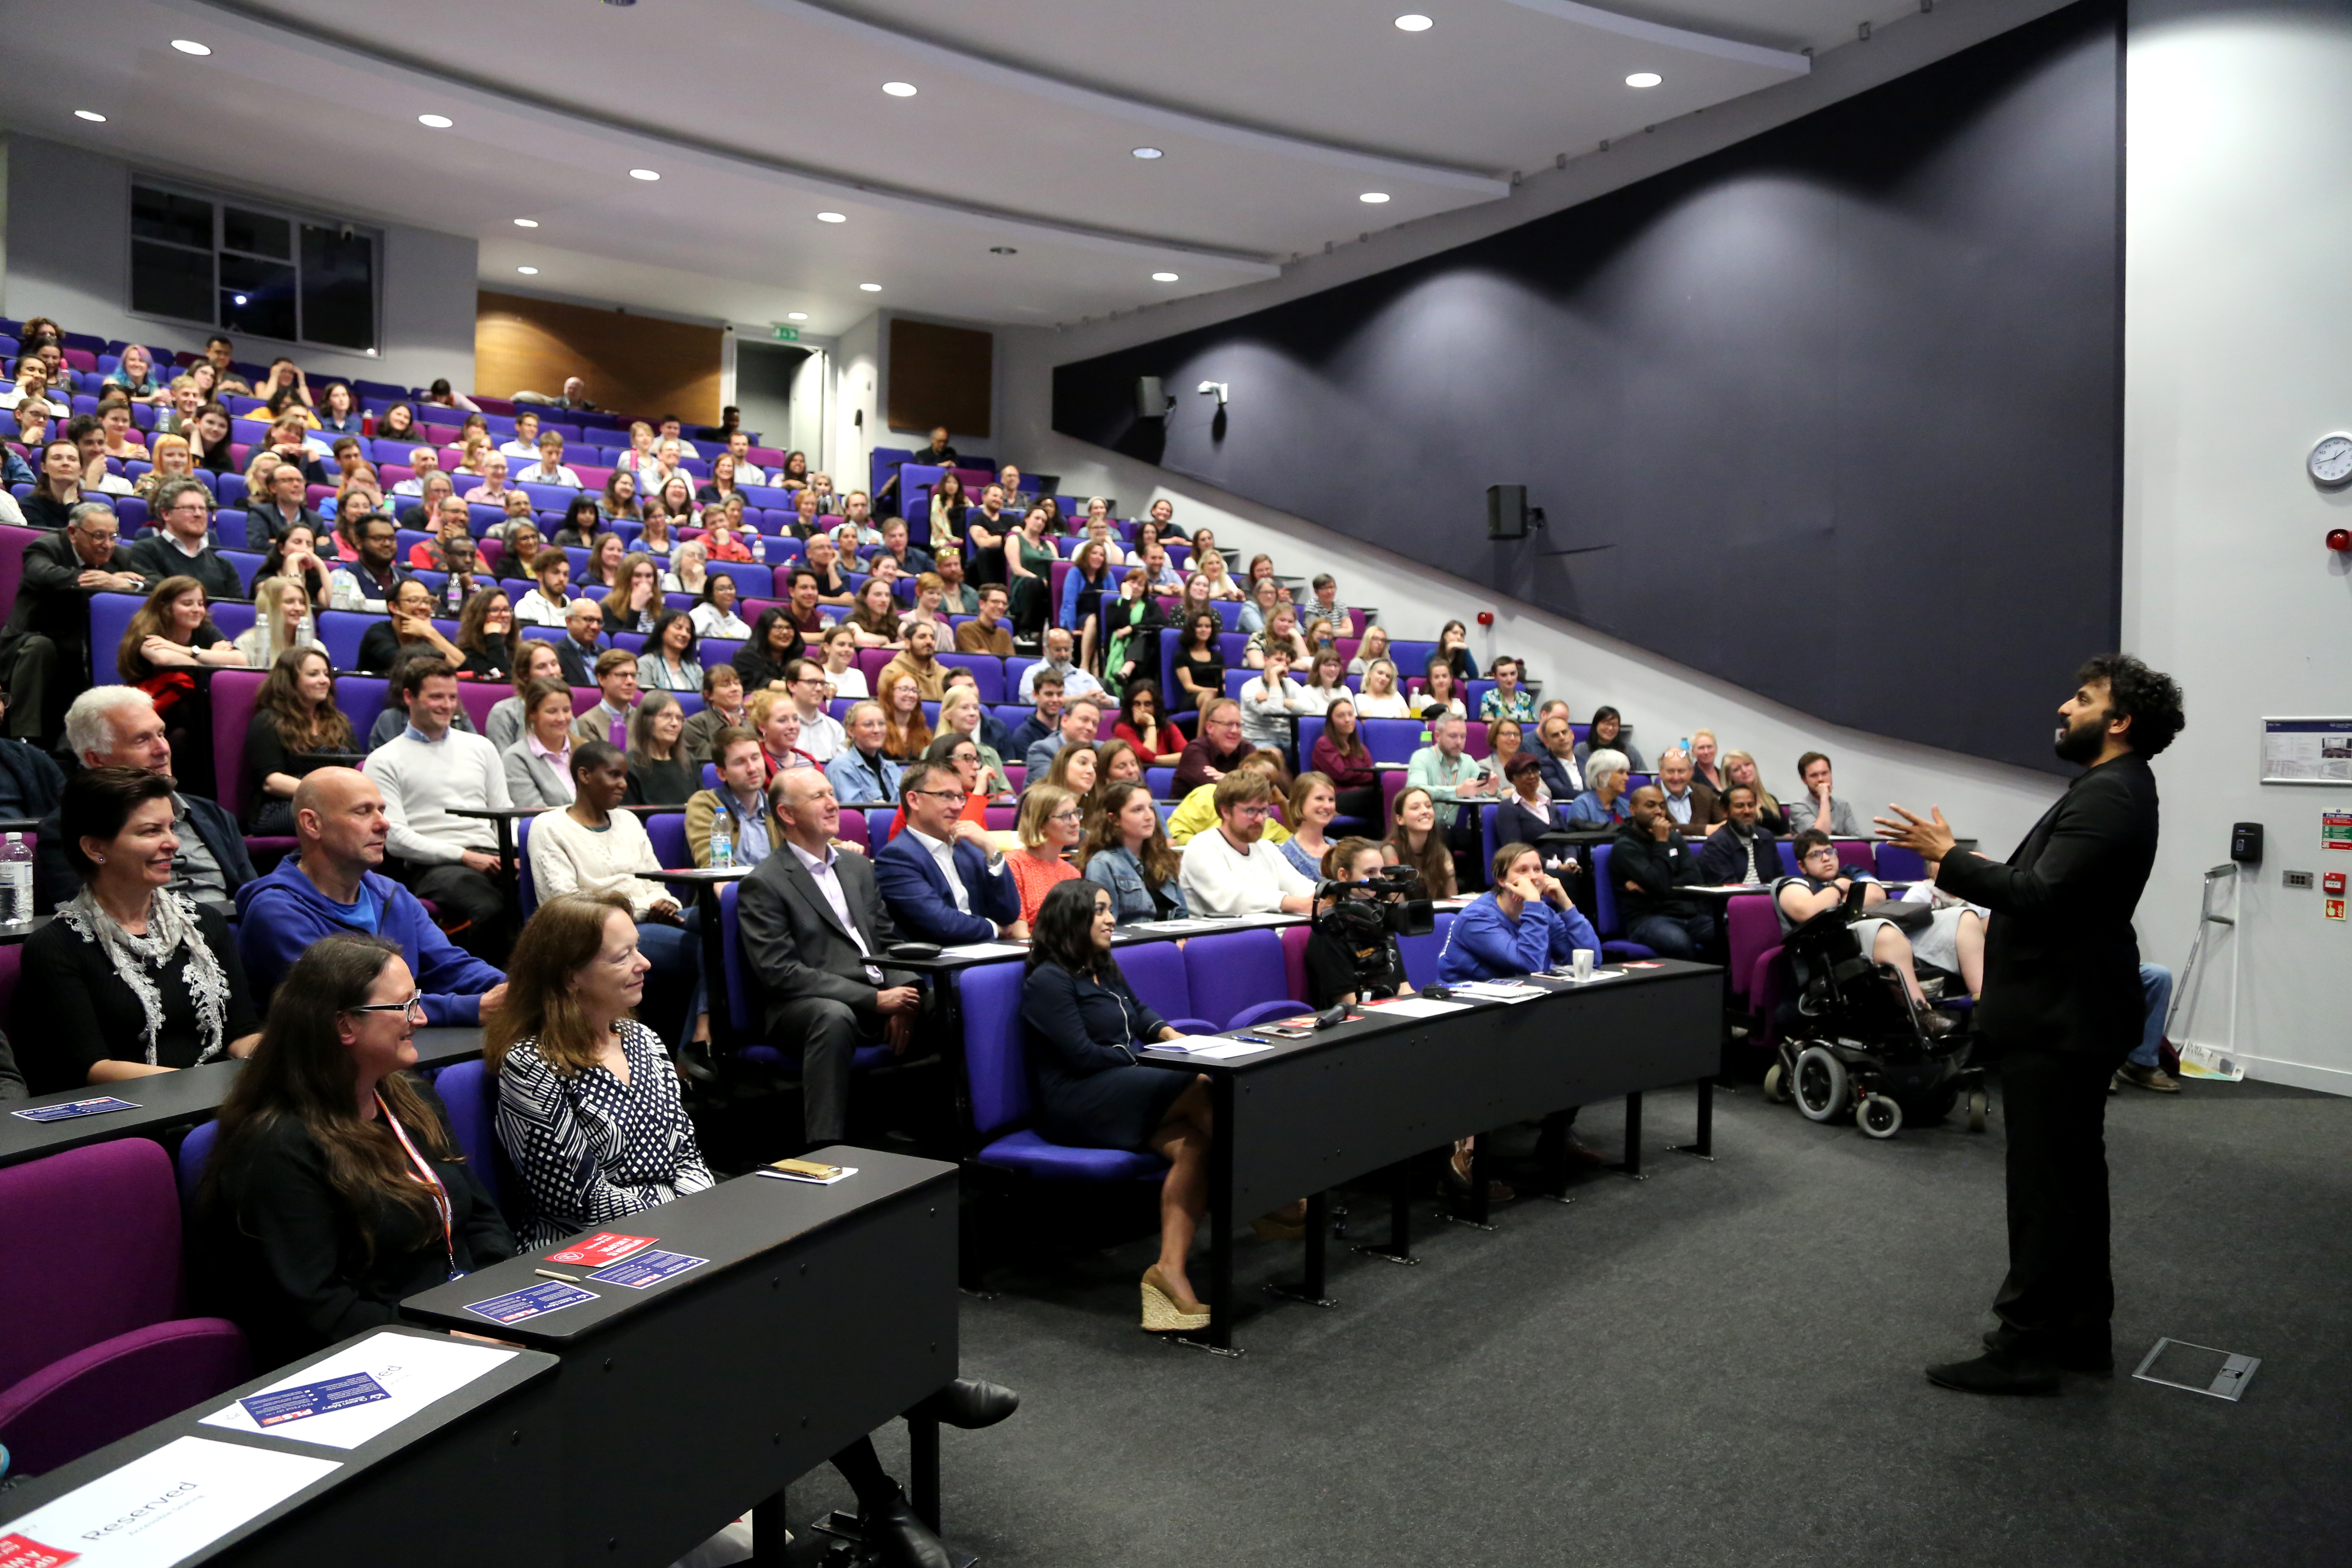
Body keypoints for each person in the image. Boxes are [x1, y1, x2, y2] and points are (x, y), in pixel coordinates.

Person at [488, 889, 997, 1568]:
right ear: (570, 974)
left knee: (807, 1272)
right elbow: (581, 1204)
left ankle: (901, 1438)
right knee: (775, 1317)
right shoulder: (532, 1065)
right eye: (623, 955)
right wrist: (689, 1213)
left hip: (681, 1234)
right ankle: (892, 1468)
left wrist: (689, 1213)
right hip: (582, 1266)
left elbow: (690, 1159)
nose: (646, 963)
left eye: (639, 948)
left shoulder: (640, 1040)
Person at [1876, 656, 2177, 1395]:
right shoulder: (2112, 789)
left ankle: (2028, 1346)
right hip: (2068, 1015)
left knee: (2047, 1190)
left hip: (2060, 1019)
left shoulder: (2111, 794)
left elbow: (2041, 898)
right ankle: (2080, 1333)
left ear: (2120, 720)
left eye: (2082, 699)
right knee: (2072, 1184)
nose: (2062, 707)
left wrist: (1951, 860)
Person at [191, 935, 514, 1371]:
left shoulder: (412, 1101)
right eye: (403, 1006)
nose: (419, 1018)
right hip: (371, 1360)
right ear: (344, 1026)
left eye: (416, 1000)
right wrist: (447, 1338)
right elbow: (318, 1308)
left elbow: (478, 1215)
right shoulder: (276, 1146)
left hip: (459, 1322)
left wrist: (491, 1302)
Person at [1021, 879, 1222, 1331]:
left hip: (1120, 1089)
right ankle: (1271, 1188)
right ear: (1071, 918)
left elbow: (1139, 1011)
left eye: (1110, 910)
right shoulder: (1047, 981)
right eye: (1099, 911)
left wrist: (1173, 1038)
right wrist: (1147, 1058)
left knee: (1195, 1144)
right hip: (1078, 1101)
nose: (1112, 919)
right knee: (1201, 1085)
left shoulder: (1102, 966)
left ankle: (1168, 1273)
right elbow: (1082, 1057)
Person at [13, 766, 262, 1092]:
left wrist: (269, 1064)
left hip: (222, 1098)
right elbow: (92, 1067)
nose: (173, 843)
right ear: (95, 849)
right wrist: (202, 1088)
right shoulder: (58, 946)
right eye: (150, 831)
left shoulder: (204, 922)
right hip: (137, 1113)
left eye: (172, 827)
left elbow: (242, 1032)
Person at [234, 768, 508, 1025]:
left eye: (382, 810)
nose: (384, 824)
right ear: (312, 824)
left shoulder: (392, 895)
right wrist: (472, 1008)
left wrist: (516, 991)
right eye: (363, 812)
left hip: (403, 1044)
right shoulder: (276, 912)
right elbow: (357, 1005)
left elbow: (451, 966)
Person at [739, 768, 924, 1143]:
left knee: (953, 1001)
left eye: (831, 793)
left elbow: (887, 940)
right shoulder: (765, 882)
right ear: (788, 815)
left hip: (876, 994)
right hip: (807, 1005)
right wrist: (874, 1000)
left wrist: (903, 994)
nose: (832, 803)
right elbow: (783, 973)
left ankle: (943, 1135)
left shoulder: (857, 867)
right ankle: (826, 1149)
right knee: (832, 1016)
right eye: (818, 797)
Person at [527, 744, 697, 1045]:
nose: (623, 784)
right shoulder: (549, 827)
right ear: (584, 775)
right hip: (602, 935)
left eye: (625, 776)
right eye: (614, 775)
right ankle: (691, 1050)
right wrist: (647, 908)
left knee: (722, 921)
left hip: (652, 919)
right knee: (712, 948)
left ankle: (699, 1045)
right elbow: (566, 905)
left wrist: (666, 902)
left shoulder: (628, 821)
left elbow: (656, 881)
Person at [36, 686, 258, 914]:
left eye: (161, 734)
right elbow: (86, 919)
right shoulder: (67, 829)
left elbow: (253, 895)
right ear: (97, 758)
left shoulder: (212, 814)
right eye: (142, 740)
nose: (163, 749)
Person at [362, 657, 514, 963]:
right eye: (436, 697)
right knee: (491, 909)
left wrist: (514, 854)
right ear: (409, 698)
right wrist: (465, 856)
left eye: (452, 697)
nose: (447, 705)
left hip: (494, 856)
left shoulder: (480, 747)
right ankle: (488, 996)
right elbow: (397, 837)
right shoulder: (385, 759)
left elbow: (504, 813)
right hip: (436, 866)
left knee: (555, 900)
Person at [1773, 829, 1982, 1009]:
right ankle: (1922, 1012)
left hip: (1889, 938)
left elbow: (1876, 896)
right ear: (1802, 866)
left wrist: (1831, 897)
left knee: (1963, 918)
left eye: (1830, 851)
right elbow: (1809, 911)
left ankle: (1983, 1002)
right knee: (1885, 931)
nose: (1826, 858)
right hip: (1838, 953)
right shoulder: (1794, 883)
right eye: (1816, 855)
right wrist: (1840, 887)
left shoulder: (1852, 872)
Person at [4, 503, 147, 744]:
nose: (108, 545)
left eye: (113, 537)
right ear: (73, 533)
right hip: (29, 640)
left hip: (81, 645)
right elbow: (43, 575)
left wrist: (124, 585)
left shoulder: (121, 556)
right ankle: (24, 740)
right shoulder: (45, 547)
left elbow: (155, 583)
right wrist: (100, 581)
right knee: (40, 648)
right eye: (99, 536)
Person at [874, 758, 1025, 942]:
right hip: (940, 963)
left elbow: (1008, 914)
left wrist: (991, 849)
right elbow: (941, 925)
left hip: (985, 953)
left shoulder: (970, 848)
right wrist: (994, 929)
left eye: (960, 797)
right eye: (945, 796)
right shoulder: (897, 858)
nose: (957, 807)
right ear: (914, 800)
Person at [242, 647, 358, 834]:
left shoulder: (338, 721)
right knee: (340, 819)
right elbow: (271, 781)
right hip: (282, 805)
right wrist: (327, 794)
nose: (324, 681)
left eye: (326, 674)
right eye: (313, 674)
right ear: (290, 682)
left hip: (335, 802)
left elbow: (354, 767)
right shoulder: (268, 721)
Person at [1179, 768, 1315, 915]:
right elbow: (1232, 899)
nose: (1260, 819)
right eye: (1250, 811)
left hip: (1269, 932)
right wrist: (1292, 903)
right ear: (1226, 811)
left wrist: (1327, 897)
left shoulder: (1266, 847)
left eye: (1264, 811)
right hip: (1223, 935)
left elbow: (1302, 888)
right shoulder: (1202, 847)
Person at [1303, 837, 1410, 1009]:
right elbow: (1350, 1006)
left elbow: (1404, 988)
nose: (1380, 880)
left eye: (1382, 872)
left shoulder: (1381, 920)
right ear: (1344, 876)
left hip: (1392, 1014)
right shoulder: (1330, 931)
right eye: (1370, 873)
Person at [1611, 785, 1713, 959]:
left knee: (1729, 933)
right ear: (1633, 810)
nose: (1659, 811)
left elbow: (1695, 880)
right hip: (1648, 920)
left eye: (1662, 806)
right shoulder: (1625, 846)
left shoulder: (1675, 838)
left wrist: (1651, 889)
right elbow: (1659, 883)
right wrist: (1661, 842)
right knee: (1679, 944)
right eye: (1651, 806)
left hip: (1688, 915)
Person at [1082, 780, 1187, 922]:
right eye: (1138, 810)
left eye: (1151, 808)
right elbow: (1105, 924)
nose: (1149, 816)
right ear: (1114, 819)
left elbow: (1182, 914)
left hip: (1169, 942)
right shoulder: (1103, 863)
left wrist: (1182, 939)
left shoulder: (1162, 856)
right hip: (1134, 943)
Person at [124, 478, 244, 603]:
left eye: (202, 508)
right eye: (189, 508)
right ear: (166, 514)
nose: (198, 514)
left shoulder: (224, 565)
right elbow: (160, 596)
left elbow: (234, 612)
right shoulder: (144, 551)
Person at [116, 577, 241, 687]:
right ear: (165, 607)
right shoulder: (149, 631)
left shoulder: (205, 629)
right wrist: (213, 658)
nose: (197, 610)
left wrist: (185, 650)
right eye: (187, 604)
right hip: (155, 704)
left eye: (201, 604)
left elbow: (241, 660)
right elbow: (164, 660)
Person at [686, 728, 783, 868]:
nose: (752, 768)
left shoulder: (778, 804)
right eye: (740, 762)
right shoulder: (705, 804)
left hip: (775, 887)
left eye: (756, 758)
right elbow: (714, 863)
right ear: (722, 774)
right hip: (732, 886)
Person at [1007, 783, 1083, 925]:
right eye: (1065, 816)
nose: (1075, 823)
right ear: (1040, 824)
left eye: (1076, 814)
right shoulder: (1014, 864)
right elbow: (1018, 934)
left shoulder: (1072, 873)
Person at [354, 578, 464, 676]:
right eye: (414, 600)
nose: (423, 607)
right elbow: (403, 665)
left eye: (427, 602)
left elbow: (466, 668)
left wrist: (431, 634)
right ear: (394, 607)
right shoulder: (378, 633)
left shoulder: (430, 635)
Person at [502, 678, 579, 808]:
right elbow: (533, 814)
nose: (561, 718)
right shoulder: (516, 758)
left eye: (566, 710)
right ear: (533, 713)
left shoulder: (585, 749)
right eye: (552, 711)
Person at [1696, 782, 1786, 886]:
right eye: (1740, 806)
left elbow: (1779, 878)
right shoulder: (1716, 844)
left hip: (1767, 898)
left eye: (1751, 806)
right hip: (1735, 900)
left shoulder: (1766, 837)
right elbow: (1726, 888)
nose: (1747, 811)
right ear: (1725, 812)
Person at [486, 641, 565, 751]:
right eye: (542, 667)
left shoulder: (564, 711)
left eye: (554, 664)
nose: (552, 672)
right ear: (524, 675)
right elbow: (503, 762)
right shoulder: (504, 713)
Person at [624, 691, 696, 806]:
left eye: (679, 718)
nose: (675, 723)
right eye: (667, 716)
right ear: (646, 721)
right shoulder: (629, 766)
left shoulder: (689, 762)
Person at [825, 699, 903, 805]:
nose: (877, 730)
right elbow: (857, 816)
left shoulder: (892, 768)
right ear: (851, 731)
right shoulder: (841, 768)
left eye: (881, 724)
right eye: (868, 725)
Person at [1497, 751, 1578, 852]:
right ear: (1513, 779)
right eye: (1525, 772)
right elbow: (1515, 850)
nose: (1532, 776)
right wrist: (1553, 865)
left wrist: (1571, 860)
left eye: (1535, 771)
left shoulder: (1550, 805)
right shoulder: (1508, 808)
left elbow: (1568, 840)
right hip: (1533, 866)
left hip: (1565, 865)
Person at [1388, 785, 1459, 898]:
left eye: (1429, 806)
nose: (1425, 811)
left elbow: (1452, 899)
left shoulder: (1441, 851)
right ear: (1400, 819)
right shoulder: (1391, 852)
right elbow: (1397, 905)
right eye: (1415, 808)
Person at [1238, 646, 1312, 752]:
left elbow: (1309, 707)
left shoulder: (1290, 684)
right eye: (1278, 660)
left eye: (1287, 663)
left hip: (1288, 739)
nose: (1283, 665)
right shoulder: (1251, 687)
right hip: (1258, 739)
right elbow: (1275, 710)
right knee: (1274, 754)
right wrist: (1273, 676)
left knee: (1309, 751)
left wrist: (1270, 698)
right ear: (1266, 660)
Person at [326, 514, 406, 611]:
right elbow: (352, 606)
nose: (387, 544)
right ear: (358, 542)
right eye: (378, 538)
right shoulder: (342, 575)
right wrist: (405, 608)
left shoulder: (408, 580)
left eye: (391, 539)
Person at [570, 650, 639, 748]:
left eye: (633, 676)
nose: (630, 682)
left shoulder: (644, 720)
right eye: (622, 675)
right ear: (602, 679)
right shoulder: (587, 723)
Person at [1280, 771, 1341, 881]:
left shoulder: (1341, 849)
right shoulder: (1285, 854)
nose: (1327, 806)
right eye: (1319, 799)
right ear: (1300, 802)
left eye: (1331, 800)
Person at [734, 605, 807, 695]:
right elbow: (759, 684)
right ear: (765, 630)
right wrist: (801, 688)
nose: (785, 632)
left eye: (789, 628)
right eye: (779, 627)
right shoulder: (746, 656)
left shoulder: (795, 656)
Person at [1789, 751, 1862, 837]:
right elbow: (1820, 838)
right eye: (1814, 775)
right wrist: (1824, 797)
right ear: (1804, 780)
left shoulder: (1843, 806)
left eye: (1825, 774)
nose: (1821, 779)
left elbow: (1857, 841)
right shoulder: (1799, 807)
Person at [1713, 750, 1789, 831]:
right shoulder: (1725, 805)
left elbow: (1786, 834)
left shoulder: (1771, 800)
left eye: (1748, 765)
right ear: (1729, 777)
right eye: (1737, 769)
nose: (1745, 771)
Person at [1654, 746, 1718, 834]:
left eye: (1681, 771)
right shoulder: (1650, 797)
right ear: (1661, 772)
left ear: (1691, 772)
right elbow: (1653, 826)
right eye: (1671, 771)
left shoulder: (1705, 793)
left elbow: (1723, 825)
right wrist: (1704, 830)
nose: (1676, 778)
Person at [1565, 748, 1634, 827]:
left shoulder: (1626, 806)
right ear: (1603, 776)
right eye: (1621, 773)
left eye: (1627, 773)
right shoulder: (1582, 805)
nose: (1627, 778)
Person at [558, 604, 617, 690]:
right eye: (589, 620)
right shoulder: (556, 654)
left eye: (599, 622)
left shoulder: (607, 654)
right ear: (570, 621)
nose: (595, 627)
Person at [1574, 706, 1647, 773]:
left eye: (1615, 725)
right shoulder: (1582, 749)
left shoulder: (1629, 749)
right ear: (1596, 725)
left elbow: (1644, 775)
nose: (1611, 728)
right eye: (1607, 724)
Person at [515, 552, 577, 627]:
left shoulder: (575, 610)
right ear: (540, 576)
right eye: (555, 573)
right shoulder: (526, 607)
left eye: (566, 574)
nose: (562, 579)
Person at [1479, 656, 1537, 722]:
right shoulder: (1488, 697)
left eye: (1513, 674)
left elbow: (1530, 727)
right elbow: (1491, 728)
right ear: (1495, 677)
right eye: (1504, 675)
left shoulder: (1527, 699)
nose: (1509, 679)